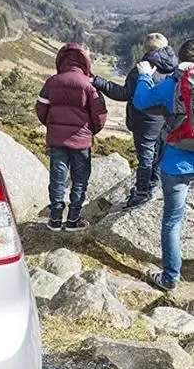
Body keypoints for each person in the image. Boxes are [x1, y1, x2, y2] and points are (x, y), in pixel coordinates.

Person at [133, 38, 194, 292]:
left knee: (172, 221)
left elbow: (141, 101)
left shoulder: (173, 83)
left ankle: (169, 278)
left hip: (176, 162)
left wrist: (145, 76)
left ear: (180, 59)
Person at [93, 33, 178, 209]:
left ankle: (141, 193)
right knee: (159, 156)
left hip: (144, 123)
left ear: (145, 50)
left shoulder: (141, 69)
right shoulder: (174, 68)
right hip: (166, 121)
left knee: (145, 159)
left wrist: (98, 81)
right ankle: (153, 187)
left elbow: (123, 94)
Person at [36, 43, 108, 232]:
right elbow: (100, 115)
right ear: (85, 61)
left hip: (57, 140)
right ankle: (73, 219)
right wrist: (90, 131)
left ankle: (55, 219)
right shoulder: (88, 85)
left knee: (57, 178)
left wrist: (52, 126)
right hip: (81, 141)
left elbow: (41, 108)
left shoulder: (52, 82)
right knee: (80, 179)